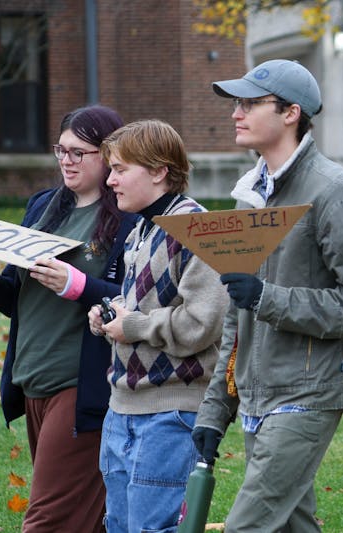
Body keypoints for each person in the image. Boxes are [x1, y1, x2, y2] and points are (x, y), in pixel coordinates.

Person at [191, 59, 343, 532]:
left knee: (248, 526)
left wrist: (266, 297)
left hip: (310, 391)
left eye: (250, 103)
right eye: (236, 104)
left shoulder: (332, 191)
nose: (236, 113)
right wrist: (215, 410)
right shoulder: (250, 197)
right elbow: (239, 315)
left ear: (290, 113)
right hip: (260, 392)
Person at [0, 105, 135, 532]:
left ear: (109, 155)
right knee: (86, 518)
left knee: (48, 520)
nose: (67, 161)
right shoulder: (43, 206)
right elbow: (21, 301)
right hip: (32, 377)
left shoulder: (129, 219)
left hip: (84, 384)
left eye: (80, 153)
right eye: (62, 150)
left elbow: (137, 302)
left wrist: (76, 285)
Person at [86, 119, 228, 533]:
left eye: (120, 169)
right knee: (119, 526)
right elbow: (146, 303)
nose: (110, 180)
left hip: (170, 413)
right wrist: (111, 311)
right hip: (121, 406)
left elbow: (203, 323)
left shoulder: (198, 230)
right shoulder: (142, 227)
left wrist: (132, 327)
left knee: (152, 528)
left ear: (159, 171)